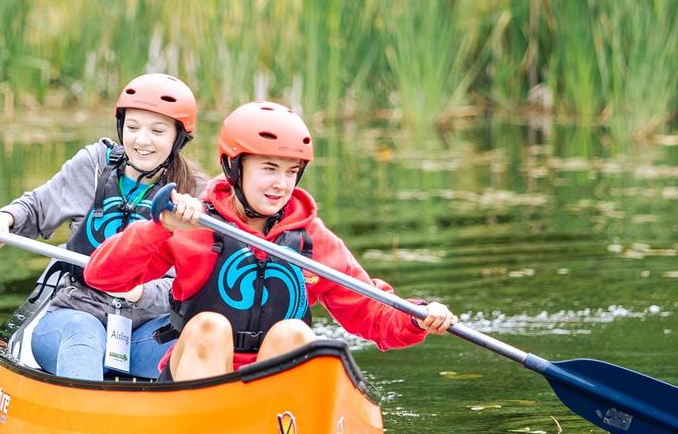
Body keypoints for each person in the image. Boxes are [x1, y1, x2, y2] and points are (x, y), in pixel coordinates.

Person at [84, 100, 456, 381]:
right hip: (194, 388)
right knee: (209, 327)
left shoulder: (311, 239)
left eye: (290, 172)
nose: (281, 184)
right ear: (234, 167)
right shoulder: (193, 224)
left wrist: (418, 317)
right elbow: (103, 277)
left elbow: (370, 312)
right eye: (268, 169)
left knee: (295, 333)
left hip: (271, 402)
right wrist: (158, 228)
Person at [0, 73, 205, 381]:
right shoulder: (93, 165)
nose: (142, 140)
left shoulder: (194, 195)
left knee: (196, 337)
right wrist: (4, 219)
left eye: (157, 131)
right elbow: (38, 207)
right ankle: (84, 424)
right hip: (74, 315)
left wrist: (139, 292)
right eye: (132, 128)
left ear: (178, 137)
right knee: (84, 332)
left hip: (141, 333)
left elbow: (187, 286)